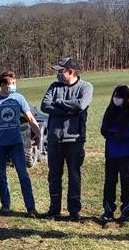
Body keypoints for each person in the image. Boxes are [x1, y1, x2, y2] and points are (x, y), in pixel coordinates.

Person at [0, 71, 41, 216]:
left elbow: (30, 118)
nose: (13, 86)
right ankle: (5, 205)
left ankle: (31, 207)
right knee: (1, 175)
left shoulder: (19, 98)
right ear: (2, 85)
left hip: (16, 144)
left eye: (14, 83)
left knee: (23, 174)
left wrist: (38, 133)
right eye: (10, 83)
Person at [40, 57, 93, 220]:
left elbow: (80, 105)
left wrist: (58, 104)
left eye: (60, 71)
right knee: (54, 175)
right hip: (55, 139)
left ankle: (74, 211)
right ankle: (54, 208)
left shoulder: (86, 87)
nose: (57, 74)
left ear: (70, 72)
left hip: (75, 140)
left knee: (74, 176)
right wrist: (67, 108)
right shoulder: (53, 86)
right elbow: (44, 105)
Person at [100, 85, 129, 222]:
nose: (116, 99)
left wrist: (115, 133)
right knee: (110, 181)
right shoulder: (110, 110)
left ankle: (126, 210)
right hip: (111, 152)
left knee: (126, 182)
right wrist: (112, 132)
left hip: (126, 153)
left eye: (120, 96)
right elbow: (104, 128)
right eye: (115, 95)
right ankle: (108, 209)